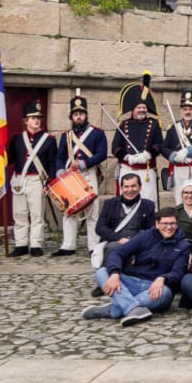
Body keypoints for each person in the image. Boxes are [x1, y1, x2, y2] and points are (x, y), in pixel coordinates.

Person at [82, 206, 190, 326]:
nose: (169, 227)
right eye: (165, 223)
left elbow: (178, 272)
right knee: (102, 272)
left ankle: (116, 309)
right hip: (132, 281)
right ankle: (132, 308)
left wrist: (163, 278)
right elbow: (117, 253)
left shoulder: (183, 246)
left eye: (172, 223)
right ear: (157, 224)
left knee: (165, 293)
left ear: (177, 224)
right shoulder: (145, 236)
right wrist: (114, 274)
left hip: (155, 287)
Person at [53, 89, 106, 257]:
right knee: (69, 210)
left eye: (81, 114)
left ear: (86, 115)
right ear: (71, 117)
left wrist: (83, 163)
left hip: (88, 174)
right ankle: (68, 245)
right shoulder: (66, 136)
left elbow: (102, 154)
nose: (78, 117)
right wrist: (61, 171)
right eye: (75, 114)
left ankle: (93, 245)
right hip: (70, 177)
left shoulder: (97, 133)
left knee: (92, 211)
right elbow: (60, 156)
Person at [6, 101, 56, 256]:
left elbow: (52, 164)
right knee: (19, 214)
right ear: (25, 121)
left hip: (37, 180)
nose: (37, 121)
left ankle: (36, 244)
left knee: (37, 215)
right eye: (33, 118)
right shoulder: (17, 139)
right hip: (19, 180)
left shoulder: (49, 139)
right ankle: (21, 244)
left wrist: (49, 183)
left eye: (38, 118)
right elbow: (10, 159)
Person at [111, 71, 163, 206]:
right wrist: (127, 157)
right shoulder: (124, 125)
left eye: (144, 107)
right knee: (126, 204)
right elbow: (115, 147)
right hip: (128, 169)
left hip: (147, 170)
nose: (142, 109)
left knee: (149, 202)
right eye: (139, 107)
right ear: (133, 110)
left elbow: (159, 144)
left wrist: (148, 155)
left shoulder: (154, 124)